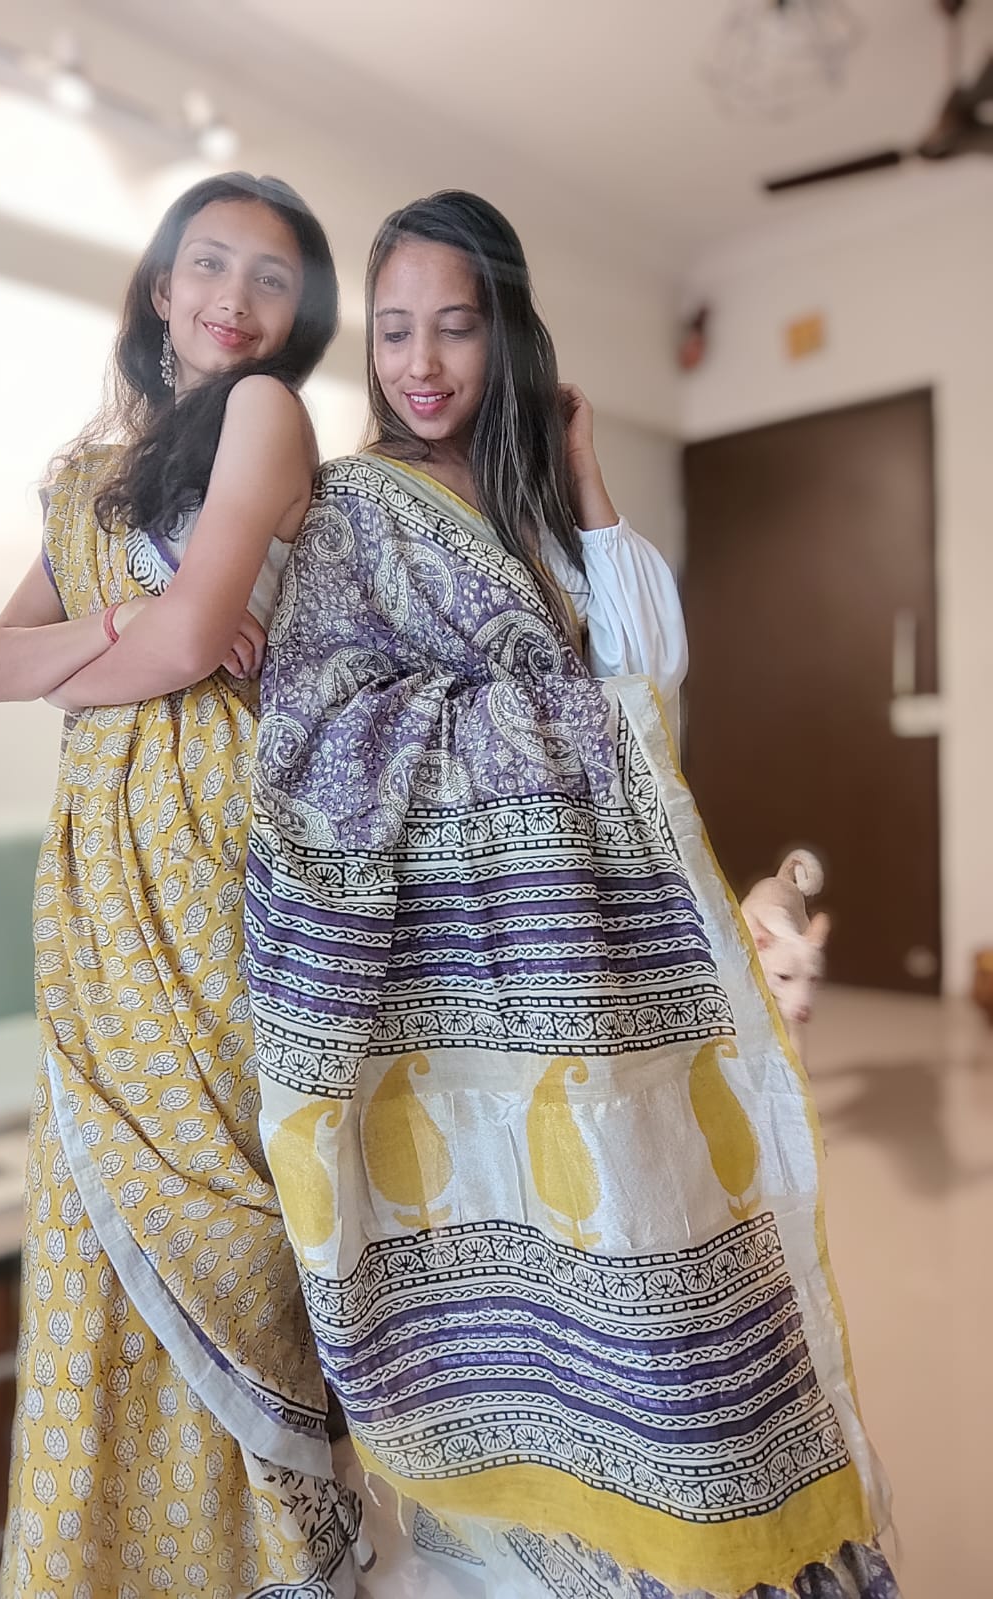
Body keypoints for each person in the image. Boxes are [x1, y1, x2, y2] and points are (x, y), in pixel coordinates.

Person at [245, 191, 899, 1599]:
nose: (422, 363)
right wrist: (529, 723)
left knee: (665, 1250)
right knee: (534, 1290)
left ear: (509, 336)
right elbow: (319, 718)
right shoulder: (355, 506)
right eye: (396, 331)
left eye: (456, 328)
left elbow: (646, 666)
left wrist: (584, 467)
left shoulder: (532, 498)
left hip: (602, 954)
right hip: (467, 970)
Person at [0, 172, 363, 1599]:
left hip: (211, 840)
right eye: (208, 264)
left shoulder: (265, 414)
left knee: (221, 1206)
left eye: (272, 278)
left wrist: (116, 644)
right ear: (160, 286)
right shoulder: (94, 472)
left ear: (299, 316)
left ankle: (268, 1554)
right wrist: (126, 622)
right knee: (96, 1208)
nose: (234, 298)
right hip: (96, 856)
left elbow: (199, 644)